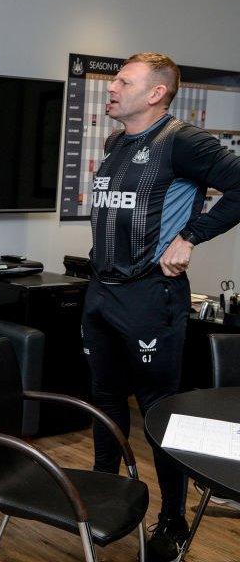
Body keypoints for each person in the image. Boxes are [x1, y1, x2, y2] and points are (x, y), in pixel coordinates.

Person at [82, 52, 240, 562]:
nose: (111, 88)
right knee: (104, 398)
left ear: (155, 93)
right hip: (102, 293)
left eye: (122, 82)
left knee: (158, 410)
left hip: (151, 297)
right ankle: (100, 496)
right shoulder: (114, 144)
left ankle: (171, 519)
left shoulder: (183, 142)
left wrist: (191, 236)